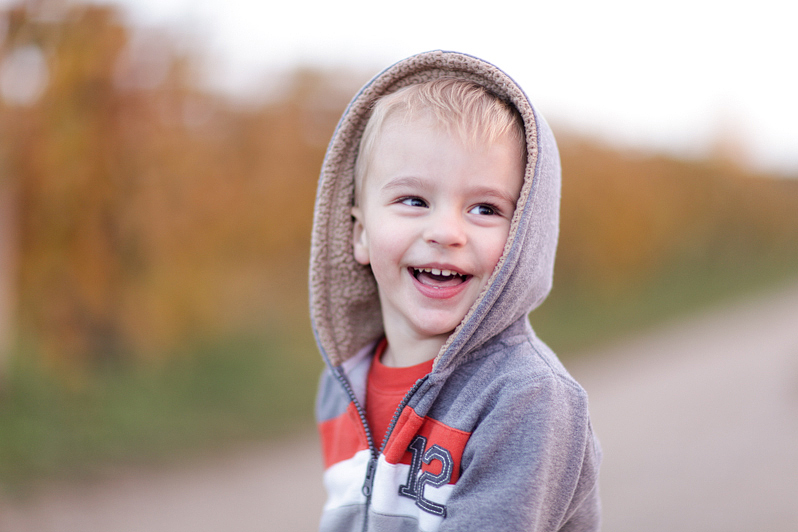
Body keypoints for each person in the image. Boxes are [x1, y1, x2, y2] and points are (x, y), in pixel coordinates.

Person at [310, 50, 601, 532]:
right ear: (358, 234)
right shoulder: (343, 382)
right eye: (414, 200)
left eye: (485, 208)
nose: (446, 231)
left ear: (525, 237)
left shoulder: (527, 398)